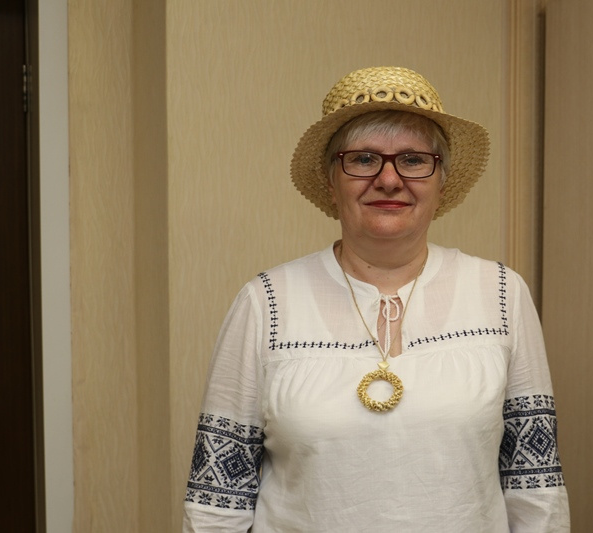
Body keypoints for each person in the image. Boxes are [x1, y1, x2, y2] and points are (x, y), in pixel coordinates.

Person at [183, 66, 570, 532]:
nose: (389, 179)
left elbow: (536, 488)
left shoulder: (502, 293)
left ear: (442, 182)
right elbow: (217, 503)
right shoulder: (265, 302)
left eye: (413, 159)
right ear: (331, 182)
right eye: (364, 159)